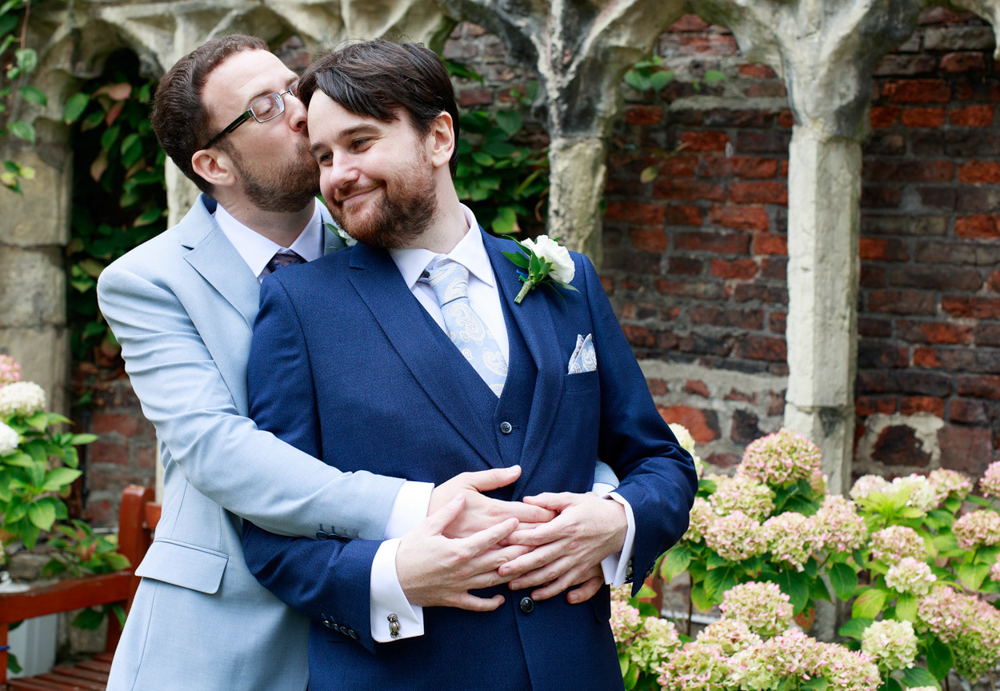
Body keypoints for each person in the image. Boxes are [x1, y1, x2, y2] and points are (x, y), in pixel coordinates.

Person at [96, 35, 615, 691]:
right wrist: (412, 508)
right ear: (214, 164)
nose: (300, 110)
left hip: (394, 643)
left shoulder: (383, 233)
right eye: (265, 106)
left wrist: (595, 502)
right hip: (225, 633)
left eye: (293, 86)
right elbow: (216, 448)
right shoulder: (149, 280)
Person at [241, 40, 698, 691]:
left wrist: (618, 520)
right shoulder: (299, 306)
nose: (338, 175)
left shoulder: (567, 283)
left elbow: (659, 460)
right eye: (323, 156)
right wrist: (393, 575)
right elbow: (270, 533)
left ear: (439, 138)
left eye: (360, 143)